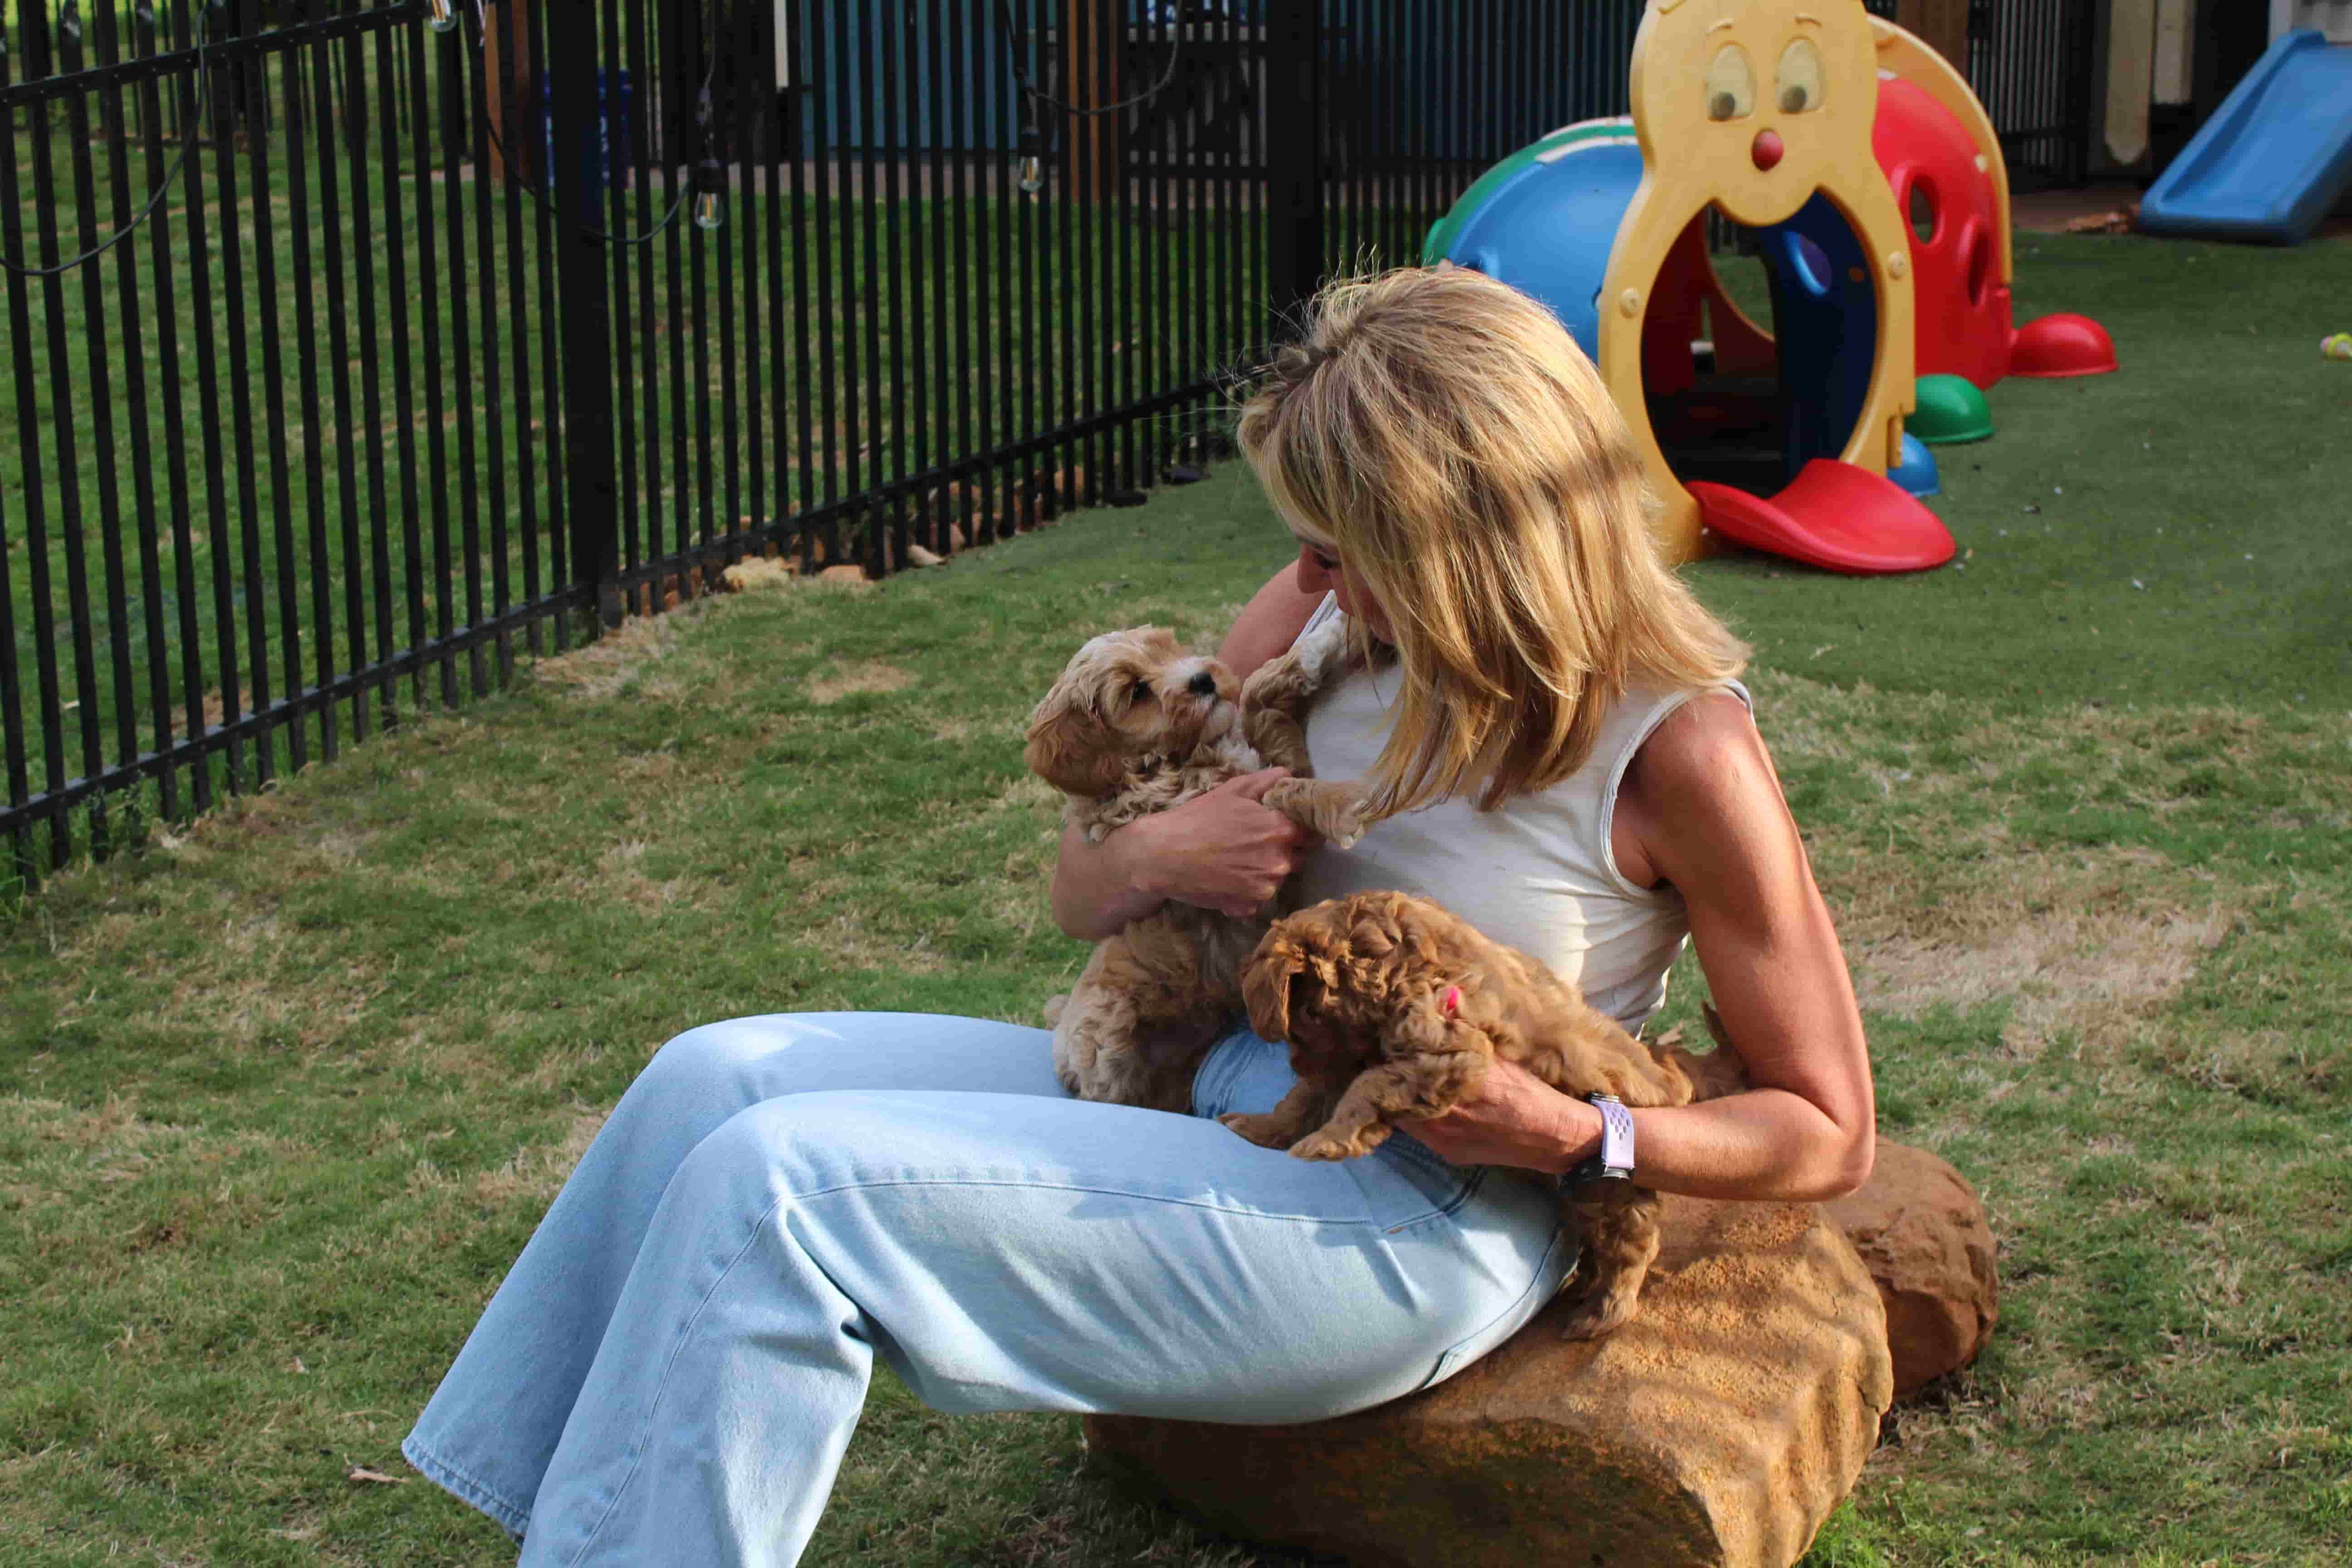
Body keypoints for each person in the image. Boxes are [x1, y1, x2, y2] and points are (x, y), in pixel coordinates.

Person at [402, 265, 1874, 1568]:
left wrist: (1578, 1137)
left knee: (786, 1187)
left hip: (1412, 1206)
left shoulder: (1676, 749)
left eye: (1339, 548)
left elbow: (1828, 1127)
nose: (1305, 583)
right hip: (1206, 1078)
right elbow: (1079, 896)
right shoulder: (1317, 627)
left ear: (1459, 539)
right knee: (712, 1077)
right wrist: (1162, 854)